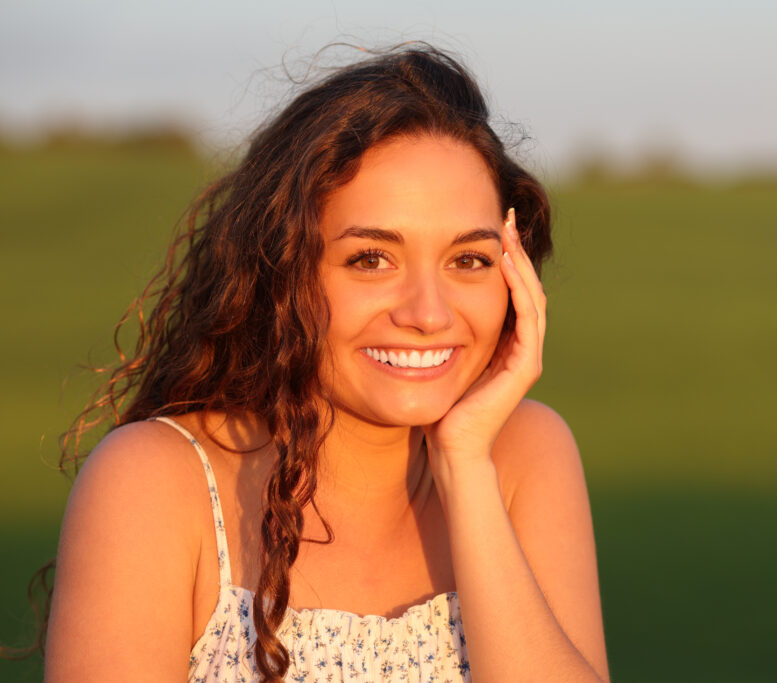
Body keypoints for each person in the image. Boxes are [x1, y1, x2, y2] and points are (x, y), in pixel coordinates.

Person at [42, 45, 609, 682]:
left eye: (468, 260)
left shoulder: (524, 457)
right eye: (371, 259)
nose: (428, 313)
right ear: (281, 272)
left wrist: (466, 465)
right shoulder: (154, 484)